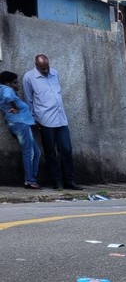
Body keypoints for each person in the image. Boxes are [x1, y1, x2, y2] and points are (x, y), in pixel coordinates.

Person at [22, 54, 79, 190]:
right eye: (43, 68)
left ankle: (69, 181)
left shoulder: (55, 73)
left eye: (47, 67)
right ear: (36, 65)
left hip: (61, 119)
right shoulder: (29, 77)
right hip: (44, 120)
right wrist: (33, 119)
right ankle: (56, 182)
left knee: (66, 149)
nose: (46, 71)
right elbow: (28, 99)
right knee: (50, 153)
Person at [0, 71, 42, 189]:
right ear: (8, 83)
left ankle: (31, 179)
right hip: (20, 124)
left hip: (21, 123)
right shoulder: (6, 89)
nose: (18, 84)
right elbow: (8, 98)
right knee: (30, 152)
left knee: (36, 152)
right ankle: (29, 180)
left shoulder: (4, 89)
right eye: (15, 82)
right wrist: (14, 106)